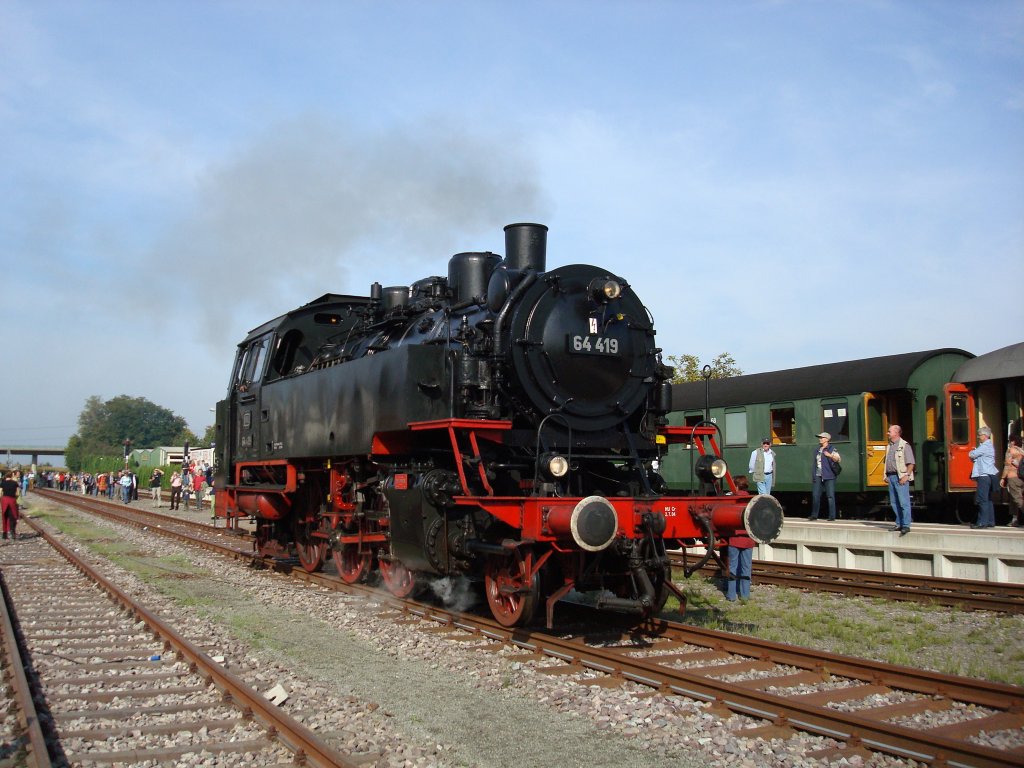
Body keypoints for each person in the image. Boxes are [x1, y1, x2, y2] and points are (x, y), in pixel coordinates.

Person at [884, 425, 916, 535]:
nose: (887, 433)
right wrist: (886, 475)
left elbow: (911, 462)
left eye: (889, 431)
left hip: (901, 477)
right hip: (891, 477)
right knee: (894, 502)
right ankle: (899, 523)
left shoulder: (904, 445)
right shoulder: (889, 446)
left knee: (903, 502)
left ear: (896, 432)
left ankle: (906, 525)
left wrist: (906, 475)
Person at [969, 426, 999, 529]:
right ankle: (990, 521)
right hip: (989, 475)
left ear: (985, 436)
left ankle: (982, 522)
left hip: (984, 475)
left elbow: (972, 454)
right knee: (988, 499)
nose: (978, 437)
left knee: (982, 499)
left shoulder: (985, 446)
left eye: (980, 435)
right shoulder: (988, 446)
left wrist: (972, 452)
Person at [809, 432, 841, 521]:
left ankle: (832, 516)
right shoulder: (817, 450)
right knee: (815, 495)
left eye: (821, 437)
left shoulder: (832, 449)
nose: (820, 439)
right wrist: (814, 475)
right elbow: (815, 464)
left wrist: (829, 455)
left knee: (830, 496)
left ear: (827, 439)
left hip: (829, 475)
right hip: (818, 475)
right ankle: (814, 515)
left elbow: (838, 459)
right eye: (819, 437)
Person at [725, 530, 755, 601]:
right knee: (746, 568)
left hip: (734, 540)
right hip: (748, 541)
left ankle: (731, 595)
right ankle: (745, 596)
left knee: (732, 568)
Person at [1001, 436, 1024, 526]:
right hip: (1022, 478)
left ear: (1013, 442)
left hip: (1013, 477)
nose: (1009, 442)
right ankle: (1015, 520)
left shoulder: (1010, 450)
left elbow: (1007, 465)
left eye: (1010, 441)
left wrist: (1003, 478)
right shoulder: (1022, 451)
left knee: (1017, 499)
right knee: (1014, 499)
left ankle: (1015, 520)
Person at [1, 473, 19, 540]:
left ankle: (4, 534)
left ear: (5, 477)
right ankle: (12, 532)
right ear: (11, 476)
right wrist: (15, 497)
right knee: (13, 516)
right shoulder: (15, 483)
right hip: (12, 499)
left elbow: (0, 492)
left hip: (4, 499)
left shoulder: (2, 483)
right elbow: (17, 493)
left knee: (4, 516)